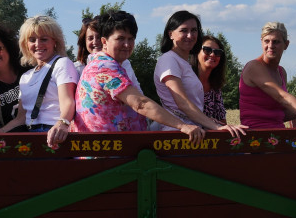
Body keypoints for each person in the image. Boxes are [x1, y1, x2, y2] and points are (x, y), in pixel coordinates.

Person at [72, 11, 207, 141]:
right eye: (120, 38)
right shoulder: (105, 68)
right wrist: (183, 126)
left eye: (131, 39)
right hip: (108, 153)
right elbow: (140, 104)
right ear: (104, 41)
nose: (127, 44)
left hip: (112, 149)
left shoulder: (103, 63)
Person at [152, 10, 247, 137]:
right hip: (178, 133)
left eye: (194, 30)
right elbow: (182, 103)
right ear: (170, 34)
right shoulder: (169, 60)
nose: (190, 35)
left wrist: (212, 122)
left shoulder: (183, 63)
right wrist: (216, 127)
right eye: (184, 30)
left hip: (194, 131)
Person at [17, 15, 78, 149]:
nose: (38, 45)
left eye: (44, 39)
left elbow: (68, 101)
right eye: (32, 40)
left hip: (54, 134)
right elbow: (20, 118)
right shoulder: (25, 76)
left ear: (55, 42)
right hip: (29, 135)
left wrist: (62, 123)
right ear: (26, 44)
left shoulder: (62, 63)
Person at [75, 15, 141, 89]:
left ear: (105, 40)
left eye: (99, 37)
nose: (95, 42)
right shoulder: (76, 69)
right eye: (90, 38)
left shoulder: (125, 63)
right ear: (84, 42)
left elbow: (137, 90)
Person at [196, 35, 229, 123]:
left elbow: (222, 120)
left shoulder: (215, 88)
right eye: (207, 50)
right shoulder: (185, 78)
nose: (212, 54)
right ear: (197, 52)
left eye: (217, 52)